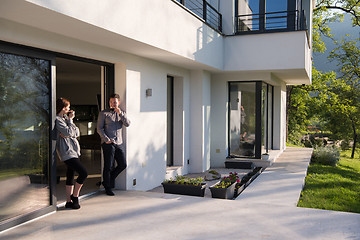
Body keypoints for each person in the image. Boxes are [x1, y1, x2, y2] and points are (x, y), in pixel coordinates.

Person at [55, 98, 88, 209]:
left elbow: (77, 132)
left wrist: (70, 127)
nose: (69, 109)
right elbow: (69, 132)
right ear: (63, 108)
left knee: (70, 175)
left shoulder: (65, 119)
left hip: (73, 151)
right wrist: (70, 127)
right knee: (83, 173)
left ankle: (68, 202)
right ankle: (75, 196)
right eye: (68, 107)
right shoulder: (58, 119)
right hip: (67, 152)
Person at [97, 94, 130, 196]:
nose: (113, 104)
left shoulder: (121, 113)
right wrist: (106, 139)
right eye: (111, 102)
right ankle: (108, 187)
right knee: (108, 166)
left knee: (123, 164)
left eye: (115, 102)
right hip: (108, 143)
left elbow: (127, 124)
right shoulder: (103, 113)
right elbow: (99, 128)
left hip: (119, 143)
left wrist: (121, 114)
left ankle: (107, 180)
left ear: (118, 103)